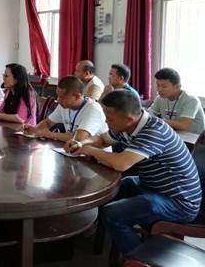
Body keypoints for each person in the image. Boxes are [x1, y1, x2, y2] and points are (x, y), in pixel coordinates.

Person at [64, 90, 201, 257]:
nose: (106, 122)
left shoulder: (153, 131)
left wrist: (90, 150)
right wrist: (82, 143)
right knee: (114, 190)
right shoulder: (128, 125)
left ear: (129, 118)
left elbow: (120, 163)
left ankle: (139, 259)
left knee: (113, 214)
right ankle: (95, 235)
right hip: (152, 187)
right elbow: (102, 139)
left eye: (110, 119)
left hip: (179, 202)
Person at [24, 76, 108, 142]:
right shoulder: (64, 106)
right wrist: (35, 129)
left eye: (63, 97)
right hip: (75, 152)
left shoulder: (93, 110)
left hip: (97, 156)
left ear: (77, 96)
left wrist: (50, 134)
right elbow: (48, 123)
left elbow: (79, 139)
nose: (58, 100)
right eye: (58, 96)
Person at [148, 68, 205, 133]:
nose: (159, 89)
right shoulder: (160, 98)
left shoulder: (191, 100)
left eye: (164, 86)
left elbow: (183, 126)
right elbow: (149, 115)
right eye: (158, 85)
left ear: (177, 87)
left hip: (194, 137)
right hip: (174, 133)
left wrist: (157, 120)